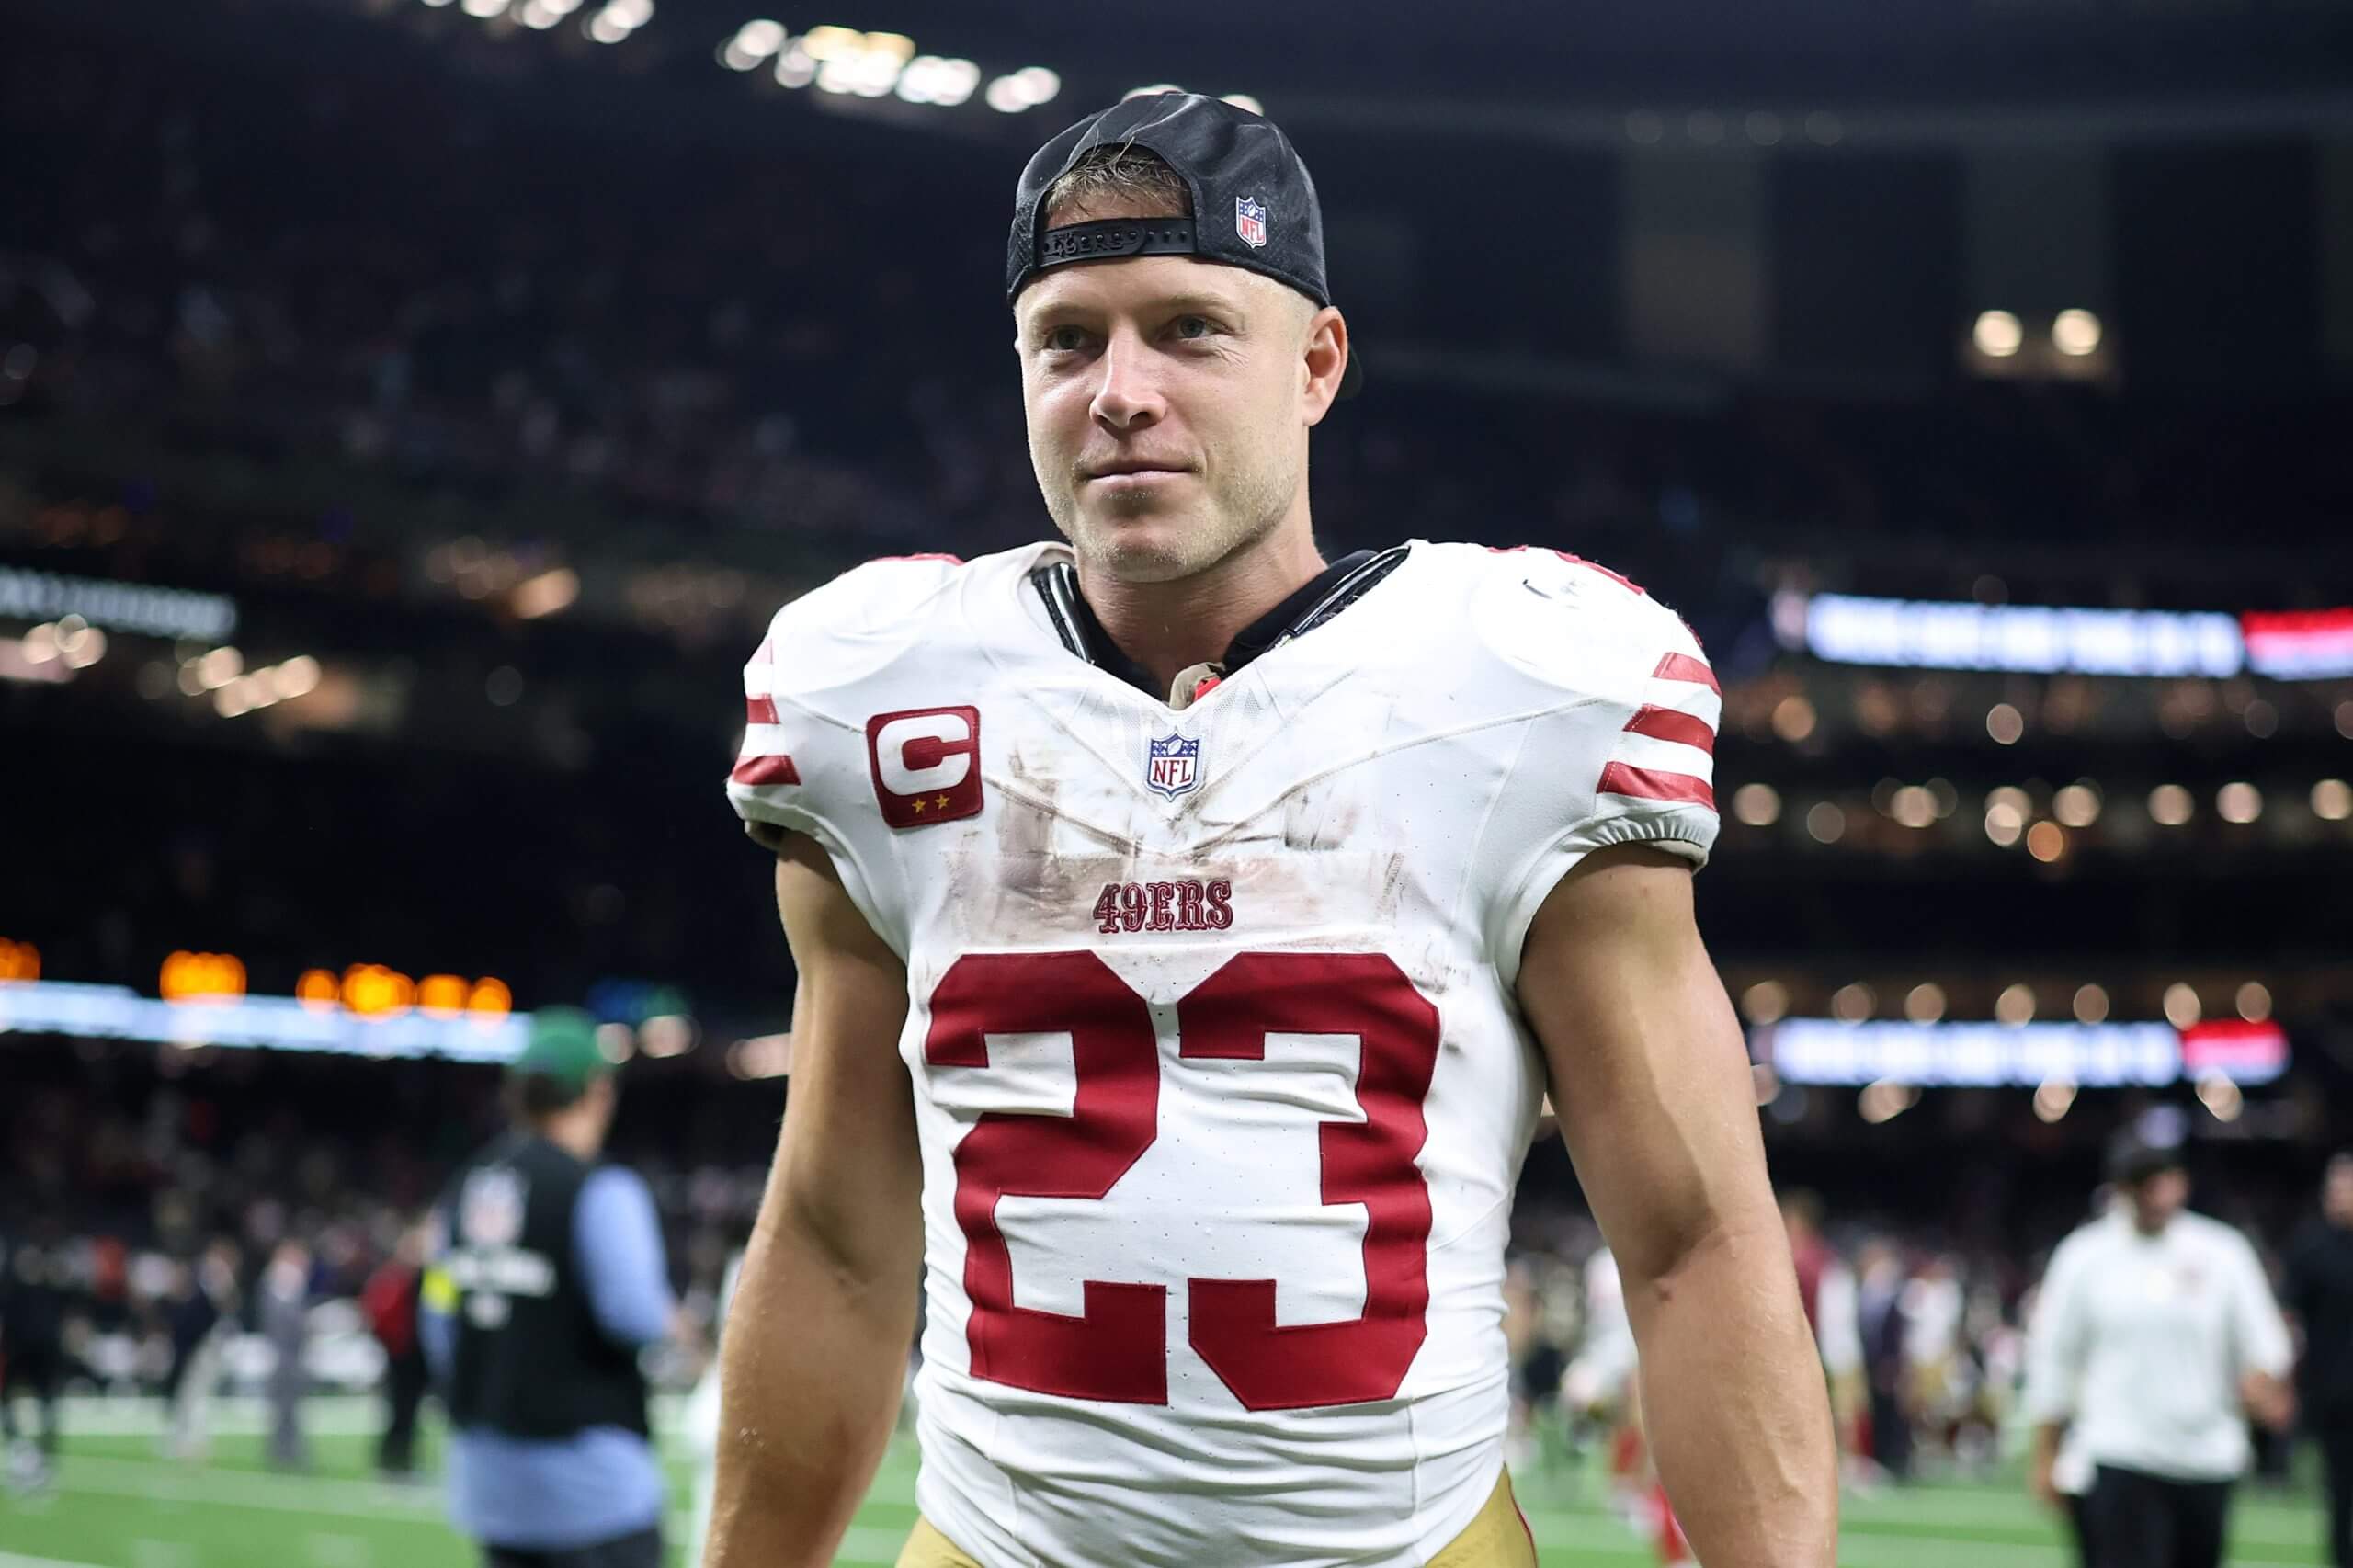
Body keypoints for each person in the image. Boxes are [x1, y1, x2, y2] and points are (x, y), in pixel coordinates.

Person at [707, 91, 1837, 1568]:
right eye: (1068, 339)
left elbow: (1693, 1243)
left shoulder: (1522, 685)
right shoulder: (881, 686)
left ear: (1317, 363)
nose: (1120, 390)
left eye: (1190, 329)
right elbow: (837, 1241)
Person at [422, 1006, 678, 1568]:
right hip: (590, 1483)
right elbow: (635, 1316)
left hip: (489, 1480)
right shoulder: (602, 1190)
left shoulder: (463, 1190)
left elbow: (437, 1312)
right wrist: (676, 1323)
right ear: (598, 1091)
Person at [2023, 1141, 2294, 1568]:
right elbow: (2055, 1358)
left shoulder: (2222, 1252)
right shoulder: (2085, 1256)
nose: (2158, 1195)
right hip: (2118, 1453)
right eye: (2144, 1184)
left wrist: (2263, 1383)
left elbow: (2266, 1346)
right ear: (2121, 1190)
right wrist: (2045, 1454)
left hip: (2206, 1457)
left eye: (2166, 1181)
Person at [2285, 1152, 2353, 1565]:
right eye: (2337, 1186)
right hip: (2335, 1394)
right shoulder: (2311, 1245)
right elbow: (2289, 1319)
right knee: (2340, 1493)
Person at [363, 1220, 432, 1480]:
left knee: (410, 1413)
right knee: (399, 1411)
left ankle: (403, 1462)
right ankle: (391, 1463)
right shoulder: (394, 1278)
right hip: (401, 1355)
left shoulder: (422, 1277)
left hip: (415, 1356)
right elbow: (380, 1316)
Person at [0, 1232, 69, 1492]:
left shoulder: (38, 1289)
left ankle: (39, 1458)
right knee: (35, 1404)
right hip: (25, 1352)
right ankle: (28, 1454)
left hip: (35, 1353)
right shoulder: (21, 1289)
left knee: (46, 1405)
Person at [261, 1237, 313, 1471]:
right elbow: (284, 1322)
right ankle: (283, 1453)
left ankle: (288, 1453)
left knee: (291, 1409)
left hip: (291, 1357)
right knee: (283, 1409)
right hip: (283, 1358)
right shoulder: (279, 1284)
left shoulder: (288, 1285)